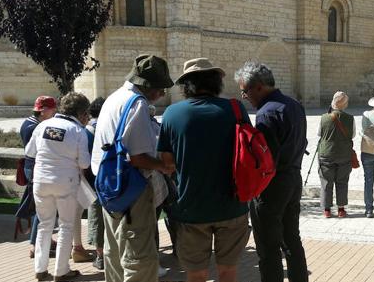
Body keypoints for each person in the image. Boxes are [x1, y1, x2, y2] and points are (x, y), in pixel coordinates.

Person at [158, 58, 250, 282]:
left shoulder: (172, 113)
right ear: (216, 82)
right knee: (228, 272)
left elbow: (167, 163)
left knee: (196, 275)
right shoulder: (236, 109)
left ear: (186, 85)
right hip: (232, 205)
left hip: (191, 208)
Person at [91, 54, 175, 282]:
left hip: (110, 186)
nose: (161, 95)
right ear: (149, 86)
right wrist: (165, 166)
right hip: (132, 188)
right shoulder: (137, 104)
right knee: (140, 258)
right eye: (160, 89)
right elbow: (138, 158)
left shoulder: (113, 98)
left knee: (115, 250)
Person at [234, 61, 308, 282]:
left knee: (268, 246)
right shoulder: (294, 105)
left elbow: (265, 161)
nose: (244, 97)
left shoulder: (266, 113)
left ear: (258, 87)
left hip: (272, 185)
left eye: (244, 91)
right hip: (294, 180)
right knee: (292, 240)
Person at [25, 92, 91, 281]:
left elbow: (30, 152)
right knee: (66, 226)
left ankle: (40, 269)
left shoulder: (43, 125)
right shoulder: (78, 131)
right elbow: (85, 163)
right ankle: (61, 271)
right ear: (80, 112)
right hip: (65, 182)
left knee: (45, 225)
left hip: (41, 181)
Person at [19, 96, 57, 259]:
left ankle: (43, 239)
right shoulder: (36, 127)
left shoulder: (28, 122)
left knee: (38, 206)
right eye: (53, 110)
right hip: (35, 168)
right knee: (40, 208)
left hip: (31, 167)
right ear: (44, 111)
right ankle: (34, 245)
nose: (55, 113)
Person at [316, 91, 355, 218]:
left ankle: (326, 210)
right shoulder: (350, 118)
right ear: (344, 105)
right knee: (342, 181)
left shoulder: (324, 117)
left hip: (326, 153)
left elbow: (319, 134)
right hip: (344, 154)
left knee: (326, 182)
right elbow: (352, 135)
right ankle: (341, 209)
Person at [85, 97, 105, 270]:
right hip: (113, 180)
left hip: (93, 181)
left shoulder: (86, 131)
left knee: (97, 219)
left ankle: (100, 257)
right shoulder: (110, 127)